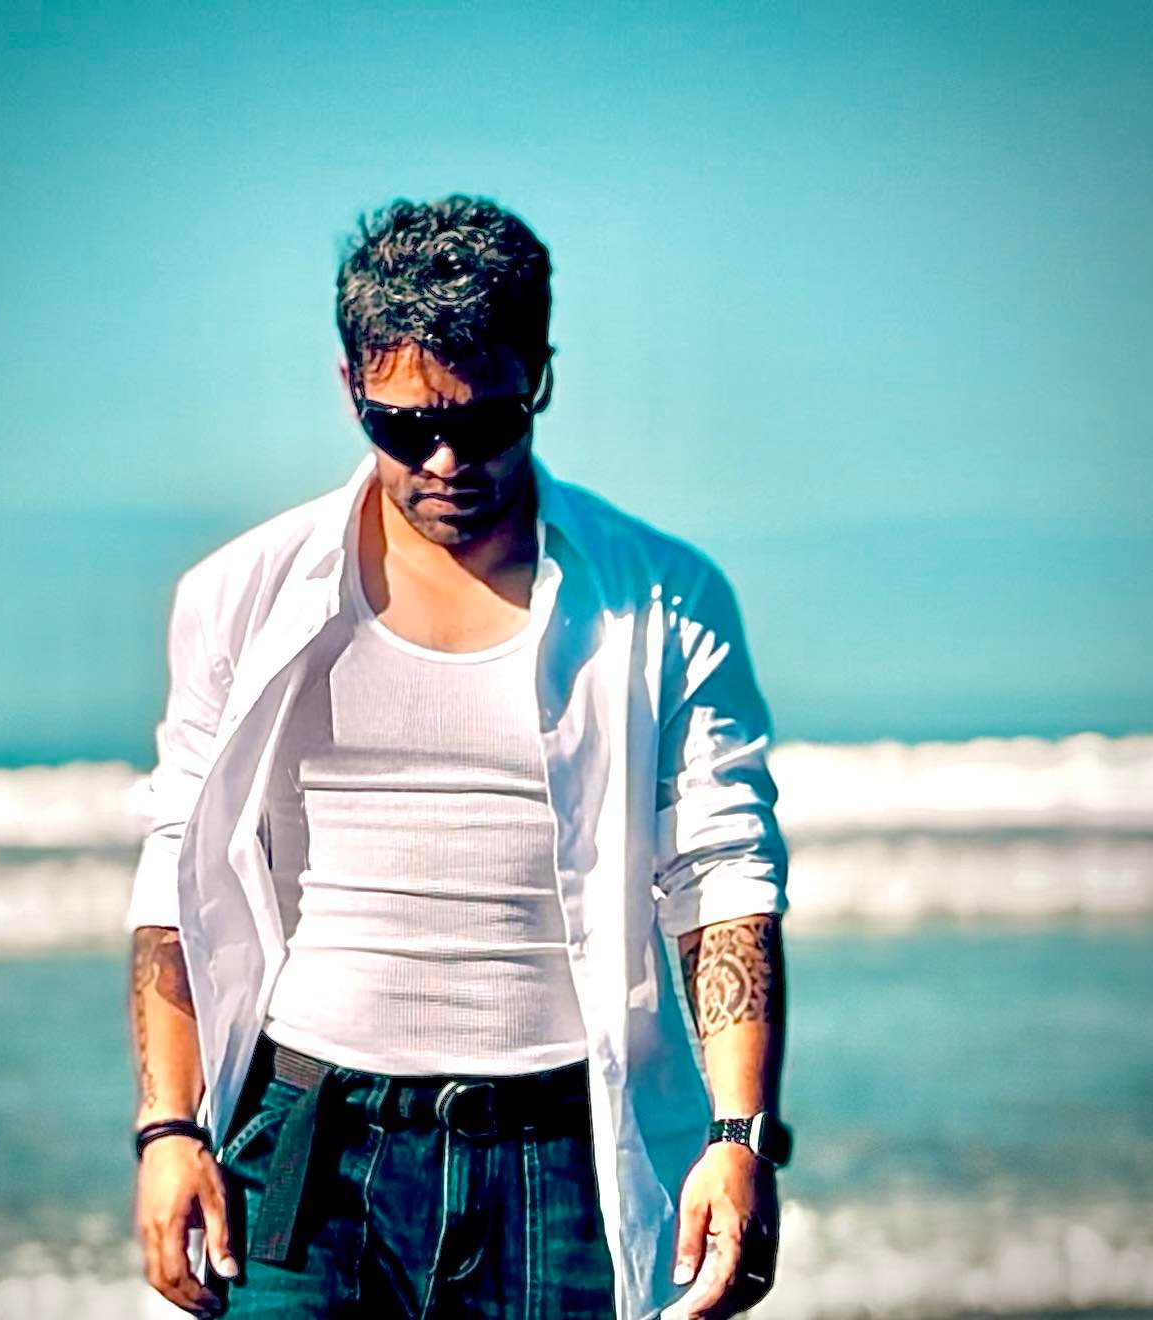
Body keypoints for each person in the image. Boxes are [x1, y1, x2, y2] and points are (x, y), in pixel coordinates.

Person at [125, 194, 790, 1320]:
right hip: (306, 1149)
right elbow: (177, 871)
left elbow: (722, 874)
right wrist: (169, 1129)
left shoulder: (664, 598)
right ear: (350, 385)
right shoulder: (240, 597)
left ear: (541, 377)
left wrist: (740, 1137)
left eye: (485, 423)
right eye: (402, 426)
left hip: (561, 1162)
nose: (445, 461)